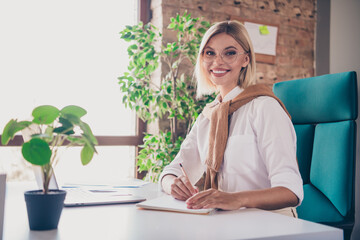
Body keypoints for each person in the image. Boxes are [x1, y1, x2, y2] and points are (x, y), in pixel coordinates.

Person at [159, 20, 303, 217]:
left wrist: (236, 199)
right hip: (225, 222)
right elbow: (173, 169)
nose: (218, 61)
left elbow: (291, 191)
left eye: (230, 53)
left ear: (245, 59)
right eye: (210, 53)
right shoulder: (208, 116)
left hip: (271, 223)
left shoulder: (265, 108)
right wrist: (172, 184)